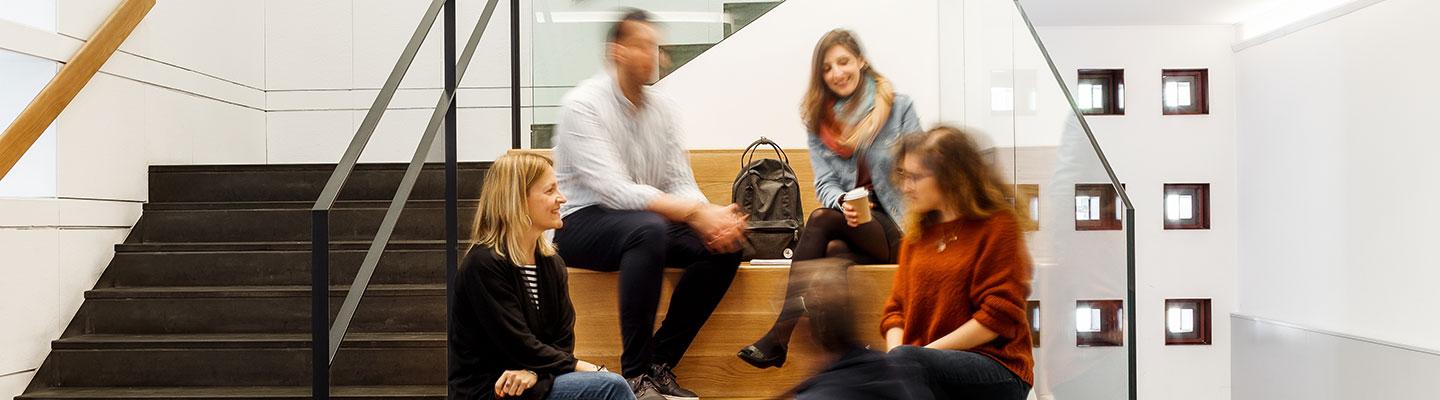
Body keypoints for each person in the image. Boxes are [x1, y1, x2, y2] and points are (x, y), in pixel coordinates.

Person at [550, 8, 747, 400]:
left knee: (727, 248)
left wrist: (710, 218)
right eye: (642, 46)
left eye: (656, 47)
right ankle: (636, 375)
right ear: (617, 52)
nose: (653, 56)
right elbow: (614, 191)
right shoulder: (583, 105)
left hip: (642, 220)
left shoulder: (665, 110)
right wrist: (692, 213)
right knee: (649, 229)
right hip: (580, 220)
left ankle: (660, 362)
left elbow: (680, 181)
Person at [738, 28, 921, 369]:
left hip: (897, 224)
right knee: (831, 256)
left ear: (861, 61)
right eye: (827, 68)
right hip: (854, 224)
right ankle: (845, 364)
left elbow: (920, 168)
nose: (837, 73)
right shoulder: (819, 120)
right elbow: (825, 183)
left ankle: (780, 335)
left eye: (843, 62)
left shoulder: (899, 107)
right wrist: (845, 205)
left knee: (821, 221)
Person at [448, 153, 634, 400]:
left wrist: (535, 372)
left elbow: (562, 340)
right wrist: (579, 366)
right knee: (611, 387)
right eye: (549, 191)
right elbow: (516, 344)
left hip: (535, 380)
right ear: (517, 200)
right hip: (493, 389)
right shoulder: (483, 265)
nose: (562, 199)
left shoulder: (551, 264)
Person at [881, 126, 1035, 399]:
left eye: (915, 177)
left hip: (997, 367)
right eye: (903, 175)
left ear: (950, 178)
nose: (906, 186)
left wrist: (912, 358)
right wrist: (895, 359)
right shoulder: (916, 236)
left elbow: (998, 318)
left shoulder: (998, 227)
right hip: (922, 366)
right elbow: (895, 311)